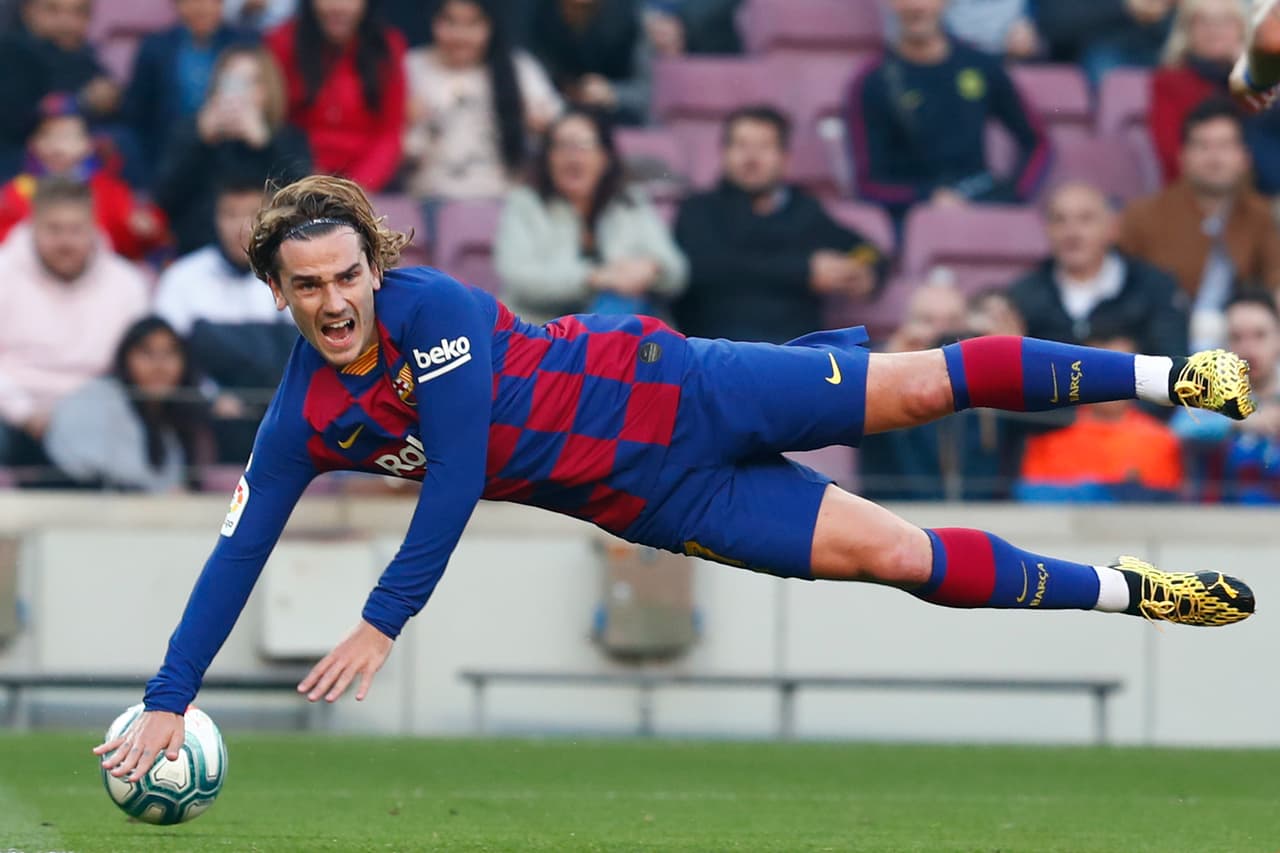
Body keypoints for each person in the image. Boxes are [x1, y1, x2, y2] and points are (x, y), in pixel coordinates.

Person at [95, 174, 1259, 779]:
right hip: (659, 500)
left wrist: (381, 620)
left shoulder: (432, 309)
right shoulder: (303, 416)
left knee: (914, 384)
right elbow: (237, 548)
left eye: (346, 273)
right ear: (279, 294)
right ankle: (1134, 590)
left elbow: (453, 474)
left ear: (369, 260)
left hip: (678, 385)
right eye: (307, 288)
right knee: (896, 558)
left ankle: (1173, 371)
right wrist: (165, 693)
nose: (335, 301)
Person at [673, 106, 886, 344]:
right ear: (724, 152)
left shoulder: (803, 210)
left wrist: (865, 271)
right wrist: (804, 271)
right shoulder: (699, 209)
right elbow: (708, 267)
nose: (751, 158)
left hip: (798, 352)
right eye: (741, 145)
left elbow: (865, 248)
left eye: (764, 147)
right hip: (722, 352)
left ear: (785, 158)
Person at [846, 0, 1051, 221]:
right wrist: (925, 198)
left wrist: (1011, 197)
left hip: (982, 209)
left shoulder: (980, 65)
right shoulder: (872, 82)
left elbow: (1037, 142)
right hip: (913, 221)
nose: (917, 6)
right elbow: (867, 184)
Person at [0, 177, 149, 473]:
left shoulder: (128, 283)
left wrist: (77, 416)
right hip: (11, 415)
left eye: (76, 230)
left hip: (101, 416)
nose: (66, 242)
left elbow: (136, 367)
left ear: (93, 227)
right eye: (54, 230)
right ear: (33, 226)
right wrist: (25, 412)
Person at [494, 108, 687, 324]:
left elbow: (676, 270)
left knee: (622, 304)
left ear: (605, 157)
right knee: (615, 308)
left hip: (625, 318)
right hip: (543, 331)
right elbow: (520, 280)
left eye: (584, 144)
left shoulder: (630, 202)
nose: (572, 155)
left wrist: (650, 268)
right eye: (561, 145)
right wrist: (595, 278)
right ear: (547, 159)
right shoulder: (525, 204)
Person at [1119, 98, 1280, 350]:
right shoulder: (1143, 216)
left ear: (1244, 157)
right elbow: (1120, 290)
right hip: (1160, 348)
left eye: (1225, 146)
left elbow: (1274, 282)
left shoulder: (1260, 216)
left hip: (1240, 348)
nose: (1214, 158)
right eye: (1202, 146)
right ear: (1182, 157)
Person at [154, 177, 296, 462]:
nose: (241, 227)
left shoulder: (298, 275)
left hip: (287, 416)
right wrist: (209, 398)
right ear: (215, 218)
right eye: (230, 214)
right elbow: (162, 357)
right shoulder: (182, 278)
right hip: (205, 420)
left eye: (254, 216)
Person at [402, 0, 562, 211]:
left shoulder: (518, 69)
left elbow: (559, 128)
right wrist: (402, 121)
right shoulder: (411, 67)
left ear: (490, 26)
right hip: (427, 200)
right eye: (450, 22)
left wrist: (541, 126)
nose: (460, 35)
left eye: (472, 24)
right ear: (433, 22)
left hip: (503, 199)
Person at [153, 44, 311, 254]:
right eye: (231, 82)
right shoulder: (191, 133)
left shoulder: (286, 138)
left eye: (250, 83)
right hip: (200, 254)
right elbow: (165, 198)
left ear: (267, 91)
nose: (240, 94)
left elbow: (304, 202)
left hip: (272, 255)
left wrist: (265, 144)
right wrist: (199, 141)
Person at [1007, 181, 1188, 358]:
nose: (1072, 232)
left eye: (1085, 219)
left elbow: (1175, 365)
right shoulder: (1023, 295)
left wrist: (1133, 362)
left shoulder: (1154, 288)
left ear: (1112, 228)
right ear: (1047, 230)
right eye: (1059, 220)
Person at [43, 316, 211, 492]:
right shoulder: (95, 401)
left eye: (170, 353)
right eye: (147, 353)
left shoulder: (177, 417)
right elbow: (89, 473)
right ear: (125, 358)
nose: (159, 366)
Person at [0, 93, 170, 261]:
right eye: (47, 136)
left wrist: (143, 231)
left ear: (88, 144)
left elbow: (131, 244)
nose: (57, 147)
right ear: (32, 143)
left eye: (68, 137)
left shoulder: (110, 191)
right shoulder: (14, 193)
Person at [1017, 333, 1185, 502]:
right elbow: (1030, 498)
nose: (1111, 381)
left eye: (1122, 371)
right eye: (1102, 371)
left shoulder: (1161, 440)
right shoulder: (1049, 431)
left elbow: (1169, 508)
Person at [266, 0, 407, 192]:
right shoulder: (282, 42)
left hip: (368, 187)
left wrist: (355, 189)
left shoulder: (388, 46)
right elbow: (275, 122)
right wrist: (307, 178)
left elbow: (390, 133)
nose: (338, 6)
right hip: (294, 180)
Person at [1151, 0, 1280, 192]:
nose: (1214, 29)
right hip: (1200, 191)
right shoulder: (1170, 82)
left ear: (1242, 28)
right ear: (1187, 31)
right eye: (1203, 21)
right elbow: (1171, 152)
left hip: (1261, 192)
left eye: (1225, 21)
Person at [122, 0, 256, 178]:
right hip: (170, 162)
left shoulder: (245, 43)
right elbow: (137, 114)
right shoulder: (155, 48)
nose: (201, 8)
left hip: (233, 160)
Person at [1174, 290, 1280, 502]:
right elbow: (1180, 429)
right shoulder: (1207, 389)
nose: (1248, 349)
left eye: (1260, 335)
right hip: (1221, 520)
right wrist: (1242, 423)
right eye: (1236, 337)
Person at [0, 0, 121, 178]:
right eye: (52, 10)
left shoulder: (86, 60)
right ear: (28, 12)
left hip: (80, 172)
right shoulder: (10, 53)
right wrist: (82, 102)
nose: (67, 23)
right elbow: (16, 120)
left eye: (79, 12)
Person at [529, 0, 651, 126]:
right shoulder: (540, 13)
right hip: (556, 116)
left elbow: (644, 93)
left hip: (618, 122)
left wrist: (611, 92)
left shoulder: (629, 16)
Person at [1035, 0, 1175, 87]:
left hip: (1157, 47)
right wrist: (1124, 7)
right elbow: (1055, 23)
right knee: (1107, 70)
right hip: (1096, 53)